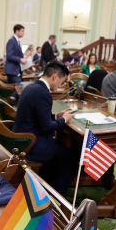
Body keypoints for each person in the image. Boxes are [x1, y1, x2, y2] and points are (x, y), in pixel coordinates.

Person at [13, 61, 76, 194]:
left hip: (22, 140)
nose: (60, 86)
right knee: (71, 155)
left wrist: (56, 116)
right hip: (32, 145)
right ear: (55, 76)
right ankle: (58, 195)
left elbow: (36, 117)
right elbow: (45, 128)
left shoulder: (31, 87)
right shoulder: (44, 94)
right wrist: (64, 119)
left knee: (59, 144)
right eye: (61, 81)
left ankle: (47, 184)